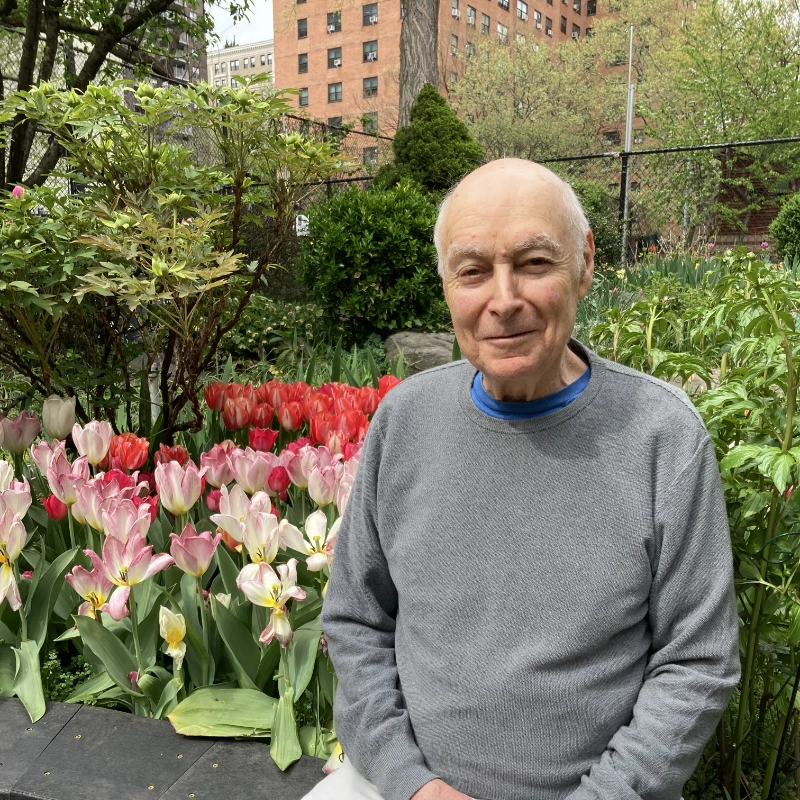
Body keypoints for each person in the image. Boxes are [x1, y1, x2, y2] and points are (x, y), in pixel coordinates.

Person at [303, 158, 740, 800]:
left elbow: (697, 663)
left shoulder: (662, 438)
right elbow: (355, 621)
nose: (503, 301)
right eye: (473, 271)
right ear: (448, 286)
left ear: (584, 264)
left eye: (534, 264)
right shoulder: (404, 422)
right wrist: (412, 784)